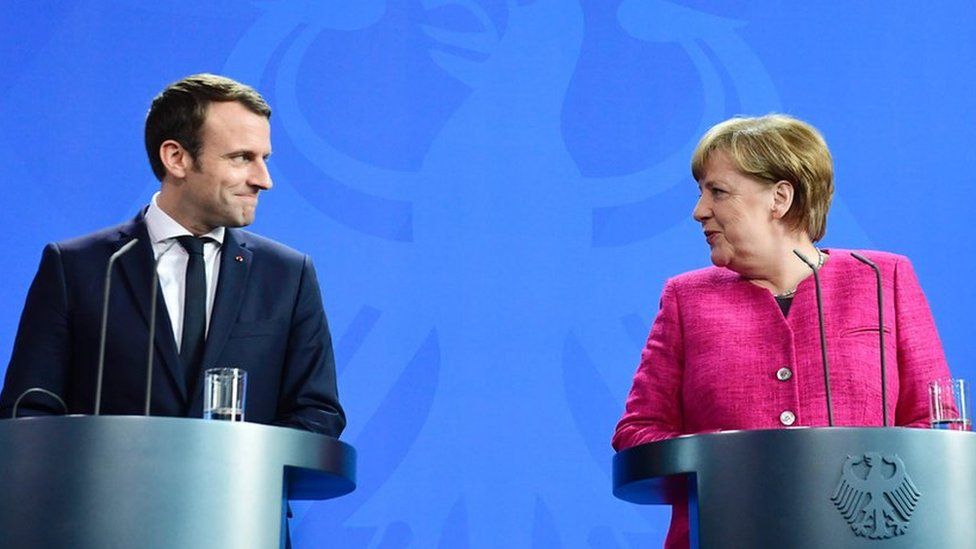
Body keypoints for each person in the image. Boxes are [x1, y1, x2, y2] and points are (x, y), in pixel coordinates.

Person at [611, 114, 949, 548]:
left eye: (718, 191)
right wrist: (732, 459)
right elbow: (638, 432)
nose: (699, 211)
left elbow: (938, 426)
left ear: (780, 198)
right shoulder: (686, 298)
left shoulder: (885, 278)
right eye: (701, 193)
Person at [0, 74, 345, 437]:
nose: (264, 179)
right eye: (242, 158)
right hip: (109, 493)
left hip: (237, 494)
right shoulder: (78, 268)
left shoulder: (287, 276)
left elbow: (317, 413)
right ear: (176, 158)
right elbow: (28, 411)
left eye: (264, 158)